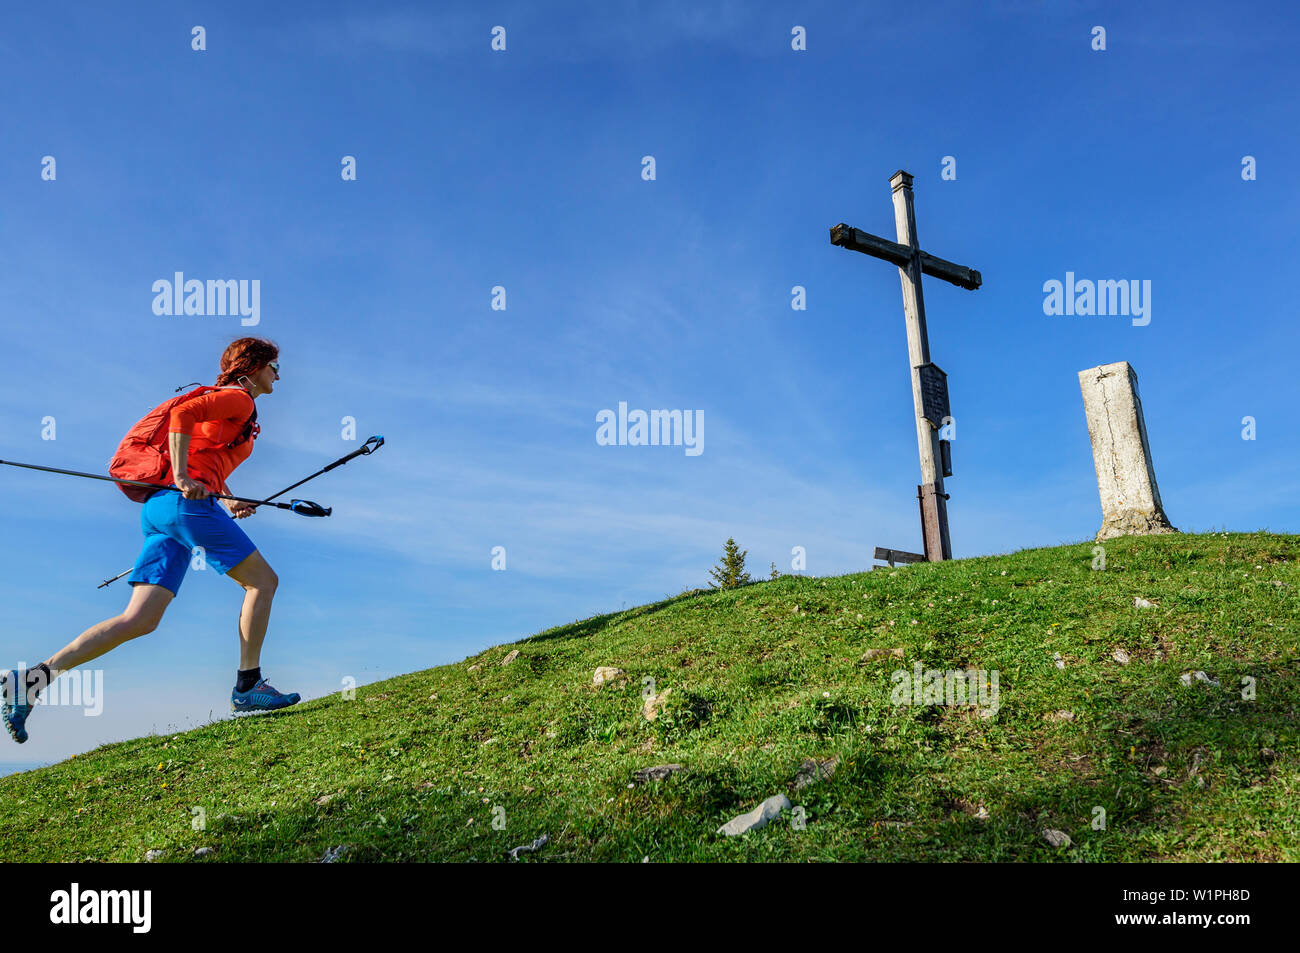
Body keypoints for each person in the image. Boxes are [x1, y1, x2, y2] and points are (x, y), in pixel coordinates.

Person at [2, 337, 300, 745]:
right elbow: (183, 415)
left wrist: (227, 498)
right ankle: (248, 687)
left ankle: (32, 679)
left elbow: (202, 455)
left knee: (139, 620)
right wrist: (182, 478)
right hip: (181, 503)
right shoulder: (240, 399)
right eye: (273, 367)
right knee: (262, 582)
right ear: (251, 368)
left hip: (159, 510)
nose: (278, 375)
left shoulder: (233, 404)